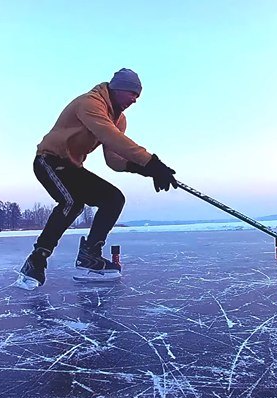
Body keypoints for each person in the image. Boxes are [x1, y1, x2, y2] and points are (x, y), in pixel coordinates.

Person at [16, 68, 178, 289]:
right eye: (132, 94)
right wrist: (151, 162)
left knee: (113, 198)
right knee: (71, 202)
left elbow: (113, 159)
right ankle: (37, 259)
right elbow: (108, 135)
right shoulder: (90, 103)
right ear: (118, 88)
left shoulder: (119, 120)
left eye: (137, 96)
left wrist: (144, 169)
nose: (135, 100)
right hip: (49, 160)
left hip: (71, 167)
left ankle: (90, 256)